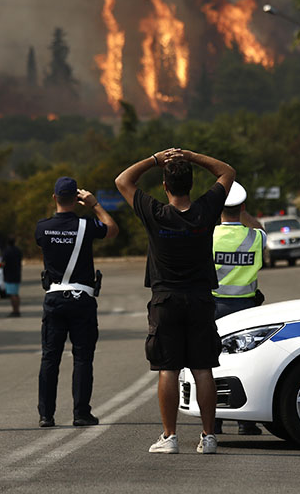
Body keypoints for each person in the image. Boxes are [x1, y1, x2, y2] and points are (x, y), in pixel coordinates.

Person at [115, 148, 234, 455]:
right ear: (191, 184)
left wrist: (156, 159)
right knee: (203, 368)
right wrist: (192, 156)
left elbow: (123, 180)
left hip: (165, 299)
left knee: (168, 368)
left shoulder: (155, 213)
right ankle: (209, 437)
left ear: (165, 186)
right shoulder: (206, 210)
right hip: (200, 298)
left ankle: (170, 437)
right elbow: (227, 172)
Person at [36, 177, 119, 428]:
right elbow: (112, 229)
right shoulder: (86, 225)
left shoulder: (42, 227)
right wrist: (95, 205)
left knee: (50, 358)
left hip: (54, 297)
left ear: (54, 198)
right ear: (76, 199)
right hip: (82, 298)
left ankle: (46, 415)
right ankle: (81, 413)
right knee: (82, 358)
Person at [211, 181, 265, 436]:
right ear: (242, 206)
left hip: (214, 308)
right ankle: (246, 422)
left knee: (211, 362)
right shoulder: (255, 237)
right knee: (245, 362)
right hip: (246, 308)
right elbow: (261, 228)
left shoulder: (209, 236)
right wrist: (244, 213)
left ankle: (214, 421)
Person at [1, 238, 23, 317]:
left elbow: (3, 263)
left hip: (9, 275)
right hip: (17, 273)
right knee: (16, 293)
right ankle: (17, 310)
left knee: (12, 294)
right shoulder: (18, 250)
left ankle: (15, 310)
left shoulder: (7, 251)